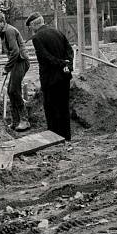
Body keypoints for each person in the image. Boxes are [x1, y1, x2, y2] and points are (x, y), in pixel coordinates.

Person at [26, 12, 74, 141]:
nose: (31, 30)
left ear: (33, 24)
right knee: (63, 107)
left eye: (30, 27)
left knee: (51, 107)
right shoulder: (58, 32)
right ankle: (66, 136)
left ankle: (54, 137)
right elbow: (70, 51)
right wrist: (68, 65)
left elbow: (46, 58)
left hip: (50, 79)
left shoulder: (37, 38)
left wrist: (61, 63)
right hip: (64, 77)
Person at [0, 13, 31, 131]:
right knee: (10, 91)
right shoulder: (3, 32)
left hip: (21, 62)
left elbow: (15, 52)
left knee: (15, 90)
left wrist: (6, 68)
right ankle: (15, 121)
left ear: (3, 22)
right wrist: (9, 66)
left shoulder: (9, 31)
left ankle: (25, 120)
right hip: (16, 63)